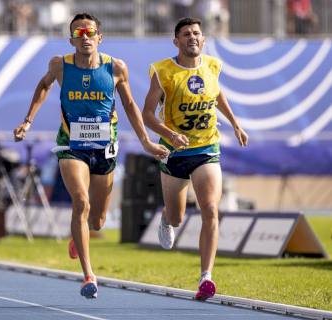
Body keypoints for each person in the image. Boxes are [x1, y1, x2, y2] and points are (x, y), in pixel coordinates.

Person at [13, 12, 169, 299]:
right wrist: (28, 121)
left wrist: (145, 141)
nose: (85, 38)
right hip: (71, 146)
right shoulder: (60, 65)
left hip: (104, 148)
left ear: (100, 37)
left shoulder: (116, 68)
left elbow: (131, 106)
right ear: (72, 39)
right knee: (80, 201)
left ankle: (79, 235)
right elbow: (44, 86)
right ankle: (88, 275)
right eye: (79, 33)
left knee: (96, 220)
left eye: (90, 33)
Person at [142, 17, 248, 301]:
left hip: (206, 148)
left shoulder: (213, 66)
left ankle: (206, 278)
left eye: (197, 33)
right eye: (186, 33)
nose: (192, 37)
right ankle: (166, 217)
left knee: (210, 209)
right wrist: (169, 134)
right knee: (177, 217)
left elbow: (217, 94)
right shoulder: (162, 71)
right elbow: (147, 115)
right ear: (176, 40)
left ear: (203, 39)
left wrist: (235, 123)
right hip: (174, 152)